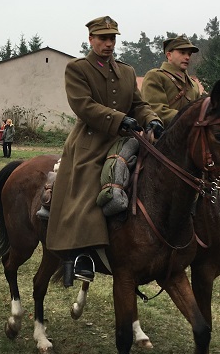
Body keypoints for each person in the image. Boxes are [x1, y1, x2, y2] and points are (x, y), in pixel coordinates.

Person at [46, 16, 161, 283]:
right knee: (89, 187)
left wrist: (151, 118)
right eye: (103, 39)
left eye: (113, 39)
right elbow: (83, 105)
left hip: (126, 141)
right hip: (90, 143)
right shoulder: (77, 69)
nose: (109, 44)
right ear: (91, 40)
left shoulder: (127, 71)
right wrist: (119, 119)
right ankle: (81, 254)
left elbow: (138, 103)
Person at [140, 35, 201, 125]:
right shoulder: (156, 76)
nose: (187, 57)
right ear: (169, 55)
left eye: (189, 54)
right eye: (182, 52)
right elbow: (155, 110)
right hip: (161, 136)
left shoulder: (193, 84)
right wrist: (188, 117)